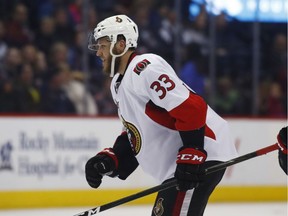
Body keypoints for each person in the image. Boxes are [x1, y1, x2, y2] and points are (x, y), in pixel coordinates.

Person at [85, 14, 238, 216]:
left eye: (102, 46)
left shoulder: (145, 67)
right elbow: (136, 134)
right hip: (181, 164)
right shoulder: (118, 85)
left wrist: (192, 152)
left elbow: (192, 108)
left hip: (205, 151)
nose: (98, 53)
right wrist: (112, 159)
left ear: (120, 45)